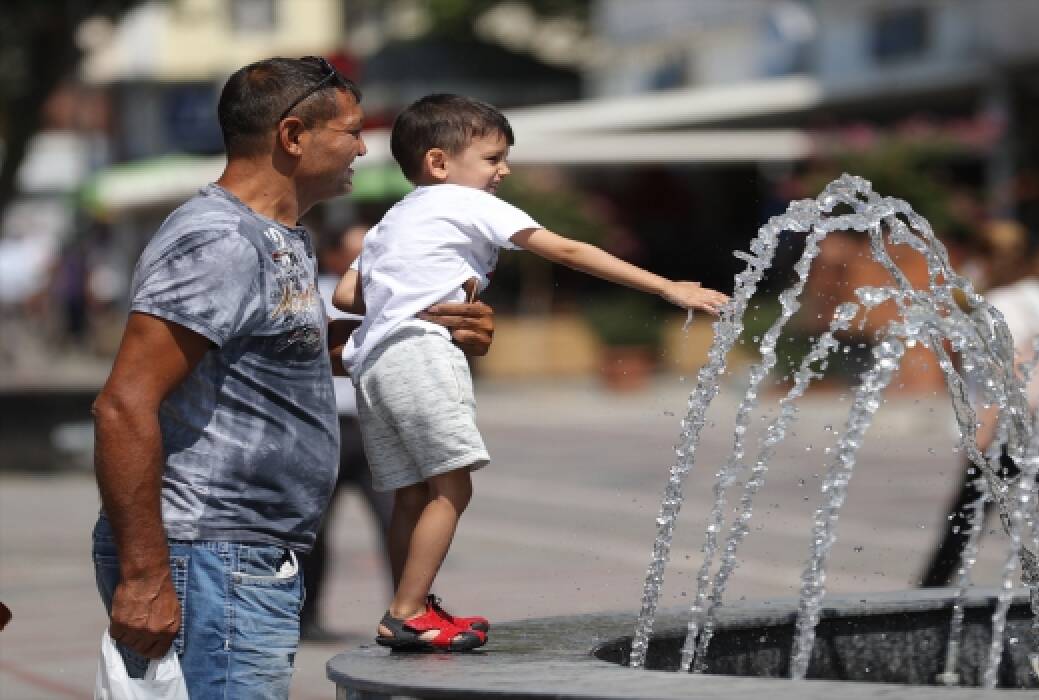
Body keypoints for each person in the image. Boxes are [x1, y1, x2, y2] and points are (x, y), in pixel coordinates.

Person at [91, 57, 496, 699]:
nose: (365, 147)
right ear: (291, 136)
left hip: (243, 552)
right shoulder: (219, 240)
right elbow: (123, 404)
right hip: (208, 550)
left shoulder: (280, 237)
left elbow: (287, 353)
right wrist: (145, 576)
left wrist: (428, 331)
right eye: (351, 131)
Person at [331, 94, 729, 651]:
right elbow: (565, 249)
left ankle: (412, 606)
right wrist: (668, 287)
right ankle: (405, 612)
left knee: (409, 495)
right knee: (452, 487)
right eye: (493, 158)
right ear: (440, 163)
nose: (504, 170)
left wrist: (408, 293)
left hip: (373, 363)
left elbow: (350, 295)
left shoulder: (391, 220)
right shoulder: (467, 202)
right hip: (422, 354)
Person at [919, 220, 1039, 587]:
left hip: (1005, 430)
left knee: (965, 518)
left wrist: (983, 433)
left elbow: (1003, 377)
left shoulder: (1000, 305)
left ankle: (926, 595)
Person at [300, 223, 395, 642]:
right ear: (336, 257)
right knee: (314, 531)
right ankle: (307, 616)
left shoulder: (387, 295)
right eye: (358, 254)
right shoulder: (311, 294)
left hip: (374, 427)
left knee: (399, 522)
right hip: (325, 430)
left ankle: (407, 613)